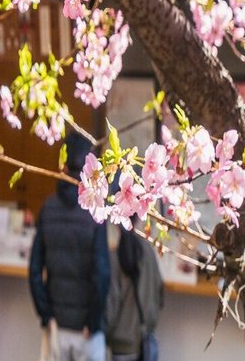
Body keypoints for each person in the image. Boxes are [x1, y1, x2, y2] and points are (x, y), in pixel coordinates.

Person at [29, 133, 110, 361]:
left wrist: (46, 315)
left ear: (63, 163)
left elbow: (35, 271)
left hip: (57, 326)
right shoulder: (95, 212)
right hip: (86, 332)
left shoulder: (48, 208)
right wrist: (93, 322)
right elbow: (102, 274)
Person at [104, 224, 163, 361]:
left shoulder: (114, 255)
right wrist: (150, 322)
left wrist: (103, 332)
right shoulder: (149, 253)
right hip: (145, 337)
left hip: (121, 342)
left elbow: (112, 303)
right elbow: (159, 292)